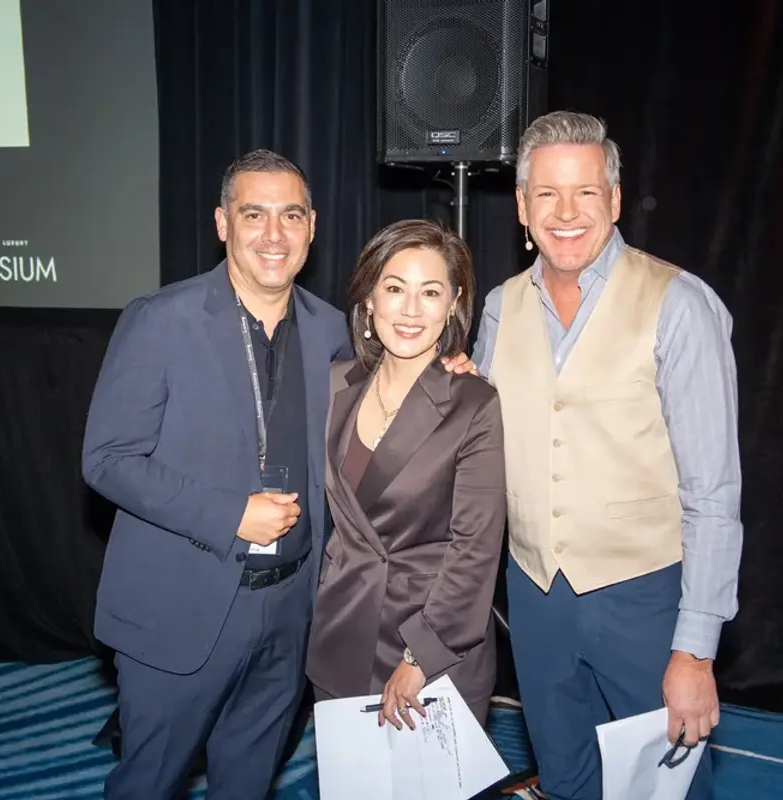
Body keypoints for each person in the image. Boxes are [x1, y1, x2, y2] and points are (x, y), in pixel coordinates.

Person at [82, 151, 474, 799]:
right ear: (222, 223)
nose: (273, 233)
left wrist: (448, 374)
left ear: (312, 226)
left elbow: (391, 407)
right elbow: (108, 459)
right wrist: (229, 513)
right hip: (180, 609)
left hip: (294, 611)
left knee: (249, 780)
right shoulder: (160, 321)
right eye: (253, 214)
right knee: (147, 783)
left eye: (290, 215)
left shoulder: (334, 332)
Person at [472, 111, 743, 800]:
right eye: (548, 195)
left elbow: (714, 494)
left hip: (646, 602)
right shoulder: (499, 308)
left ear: (614, 202)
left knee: (667, 793)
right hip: (534, 598)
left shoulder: (679, 305)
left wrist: (694, 649)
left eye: (586, 193)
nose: (567, 213)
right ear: (523, 209)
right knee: (565, 780)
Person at [306, 219, 506, 729]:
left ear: (453, 303)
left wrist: (421, 658)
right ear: (370, 298)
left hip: (433, 645)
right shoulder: (333, 386)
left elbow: (475, 550)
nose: (411, 310)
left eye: (430, 292)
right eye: (395, 288)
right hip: (341, 633)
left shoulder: (474, 403)